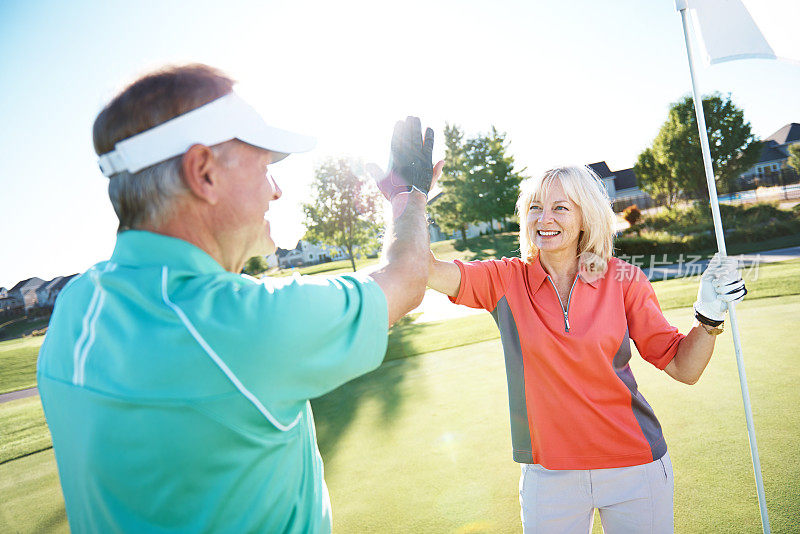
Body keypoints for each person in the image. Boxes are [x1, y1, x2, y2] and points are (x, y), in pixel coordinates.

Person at [37, 64, 442, 533]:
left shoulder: (75, 306)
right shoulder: (247, 324)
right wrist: (407, 196)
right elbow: (407, 279)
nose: (276, 189)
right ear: (203, 173)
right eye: (265, 166)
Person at [426, 165, 746, 533]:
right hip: (549, 477)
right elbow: (425, 269)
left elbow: (683, 368)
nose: (544, 218)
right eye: (535, 207)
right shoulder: (504, 279)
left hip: (635, 467)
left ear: (584, 218)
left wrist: (707, 318)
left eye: (561, 207)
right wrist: (411, 198)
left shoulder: (623, 279)